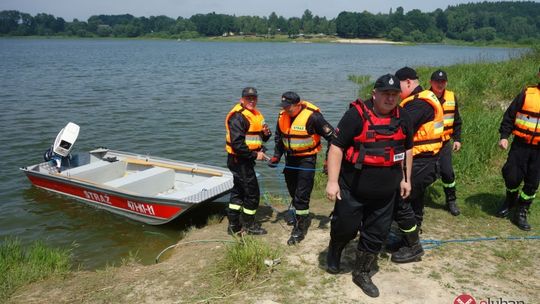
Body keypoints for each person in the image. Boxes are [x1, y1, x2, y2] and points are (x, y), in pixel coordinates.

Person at [325, 74, 413, 297]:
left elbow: (408, 149)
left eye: (394, 94)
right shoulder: (355, 115)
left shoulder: (404, 117)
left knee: (376, 234)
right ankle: (335, 250)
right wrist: (333, 182)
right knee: (345, 227)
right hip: (352, 189)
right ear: (375, 93)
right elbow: (336, 147)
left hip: (385, 192)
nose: (390, 98)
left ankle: (362, 272)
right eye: (386, 93)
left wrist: (406, 178)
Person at [390, 66, 444, 263]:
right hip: (425, 160)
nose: (395, 93)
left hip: (422, 161)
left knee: (401, 201)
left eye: (398, 88)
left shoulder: (420, 103)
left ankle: (414, 246)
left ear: (409, 82)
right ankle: (408, 239)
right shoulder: (421, 99)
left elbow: (399, 128)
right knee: (415, 201)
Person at [268, 91, 336, 245]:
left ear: (298, 105)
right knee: (293, 190)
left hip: (307, 159)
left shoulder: (314, 117)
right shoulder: (282, 116)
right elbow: (279, 139)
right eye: (283, 106)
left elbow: (333, 138)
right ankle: (301, 215)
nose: (286, 110)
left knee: (301, 194)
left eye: (289, 107)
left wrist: (328, 161)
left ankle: (300, 227)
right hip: (290, 158)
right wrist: (276, 156)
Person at [496, 67, 540, 231]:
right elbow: (509, 116)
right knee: (512, 175)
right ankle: (510, 199)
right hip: (520, 144)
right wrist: (504, 136)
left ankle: (522, 210)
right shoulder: (527, 94)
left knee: (532, 182)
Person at [225, 87, 271, 235]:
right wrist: (254, 155)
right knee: (252, 194)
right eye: (248, 98)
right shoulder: (238, 117)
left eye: (254, 98)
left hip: (244, 160)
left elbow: (257, 137)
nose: (251, 100)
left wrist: (265, 135)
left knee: (238, 191)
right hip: (240, 160)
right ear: (242, 100)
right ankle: (249, 225)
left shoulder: (256, 114)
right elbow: (237, 145)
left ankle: (233, 225)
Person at [429, 69, 463, 216]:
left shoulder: (452, 97)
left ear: (446, 83)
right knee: (423, 173)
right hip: (428, 143)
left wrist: (457, 139)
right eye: (437, 81)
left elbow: (457, 121)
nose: (440, 84)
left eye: (442, 82)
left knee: (447, 172)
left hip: (444, 143)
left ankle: (451, 201)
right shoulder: (425, 98)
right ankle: (415, 199)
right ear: (431, 82)